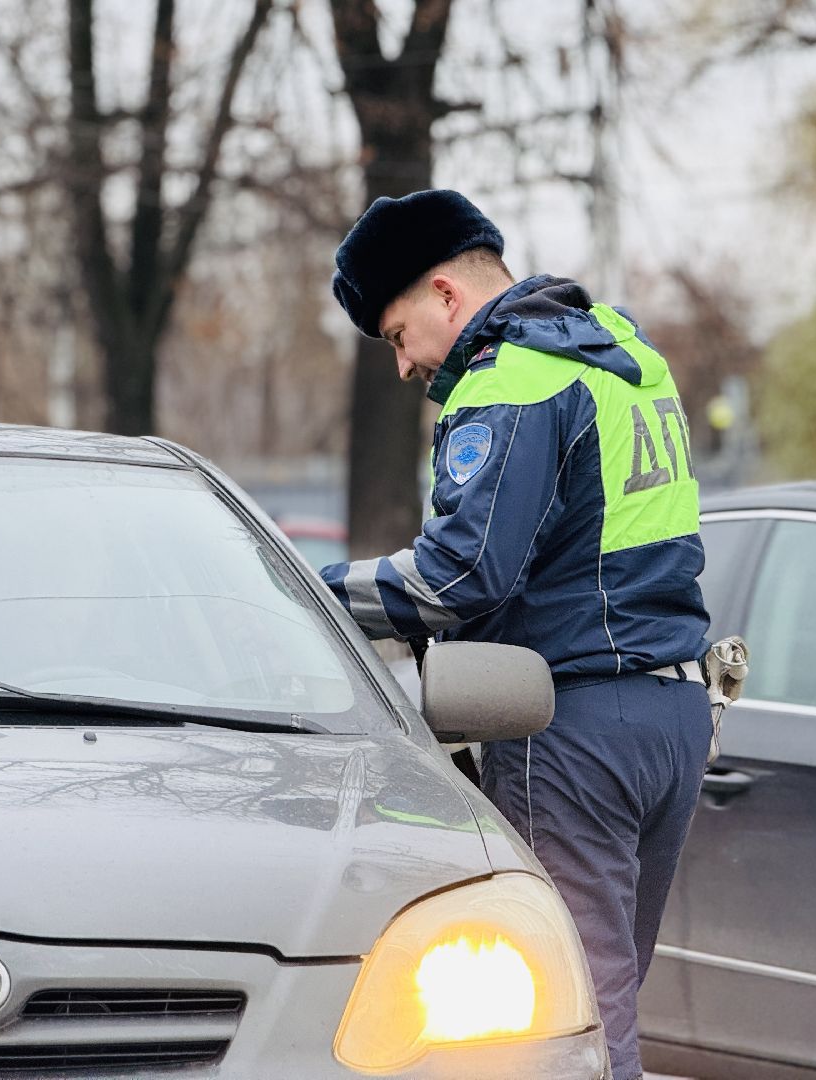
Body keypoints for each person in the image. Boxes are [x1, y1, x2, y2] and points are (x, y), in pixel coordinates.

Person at [320, 189, 711, 1080]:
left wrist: (312, 592)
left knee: (566, 1020)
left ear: (448, 297)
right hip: (676, 720)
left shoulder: (513, 378)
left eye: (397, 334)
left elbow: (461, 575)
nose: (405, 365)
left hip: (571, 731)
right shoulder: (624, 352)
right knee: (609, 996)